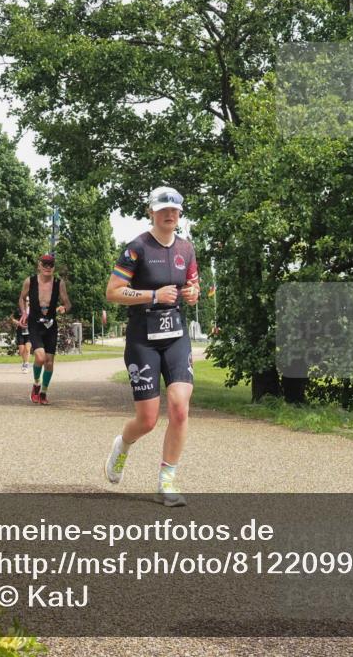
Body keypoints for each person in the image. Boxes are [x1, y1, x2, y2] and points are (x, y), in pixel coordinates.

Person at [103, 186, 200, 506]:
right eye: (163, 209)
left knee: (179, 407)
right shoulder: (136, 249)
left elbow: (193, 284)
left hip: (175, 336)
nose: (169, 214)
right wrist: (153, 296)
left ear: (180, 213)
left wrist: (192, 293)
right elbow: (114, 291)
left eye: (174, 209)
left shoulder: (187, 249)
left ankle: (166, 481)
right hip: (143, 338)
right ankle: (123, 444)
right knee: (147, 419)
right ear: (151, 212)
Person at [18, 253, 72, 405]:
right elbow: (21, 298)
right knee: (40, 358)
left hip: (51, 325)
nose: (48, 267)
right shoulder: (30, 281)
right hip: (35, 324)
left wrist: (63, 308)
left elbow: (68, 303)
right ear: (39, 265)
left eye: (51, 264)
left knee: (49, 362)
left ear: (54, 267)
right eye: (45, 264)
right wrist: (23, 312)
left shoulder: (58, 283)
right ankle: (36, 385)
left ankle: (43, 392)